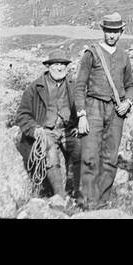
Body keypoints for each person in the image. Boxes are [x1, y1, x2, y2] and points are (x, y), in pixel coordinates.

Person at [73, 13, 133, 210]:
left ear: (121, 32)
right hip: (93, 107)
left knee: (110, 158)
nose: (111, 35)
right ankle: (86, 201)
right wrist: (81, 114)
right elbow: (80, 86)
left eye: (115, 31)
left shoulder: (124, 56)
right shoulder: (91, 53)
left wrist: (129, 102)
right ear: (103, 31)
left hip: (116, 111)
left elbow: (130, 86)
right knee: (89, 156)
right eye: (108, 31)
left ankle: (101, 201)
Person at [15, 55, 79, 202]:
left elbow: (84, 107)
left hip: (68, 129)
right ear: (48, 67)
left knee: (81, 149)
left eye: (63, 64)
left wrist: (80, 122)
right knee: (50, 151)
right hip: (46, 130)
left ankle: (76, 193)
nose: (60, 67)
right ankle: (60, 196)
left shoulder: (73, 85)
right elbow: (22, 114)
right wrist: (35, 129)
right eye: (56, 64)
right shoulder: (35, 87)